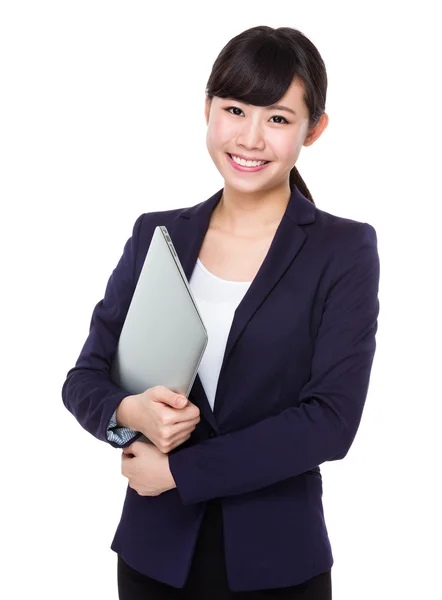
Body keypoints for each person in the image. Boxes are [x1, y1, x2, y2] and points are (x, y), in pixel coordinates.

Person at [62, 25, 380, 599]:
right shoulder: (156, 234)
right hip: (152, 560)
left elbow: (331, 420)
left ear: (315, 130)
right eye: (235, 110)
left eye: (278, 118)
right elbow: (84, 377)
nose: (251, 138)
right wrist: (129, 410)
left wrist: (181, 473)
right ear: (207, 109)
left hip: (278, 564)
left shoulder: (343, 250)